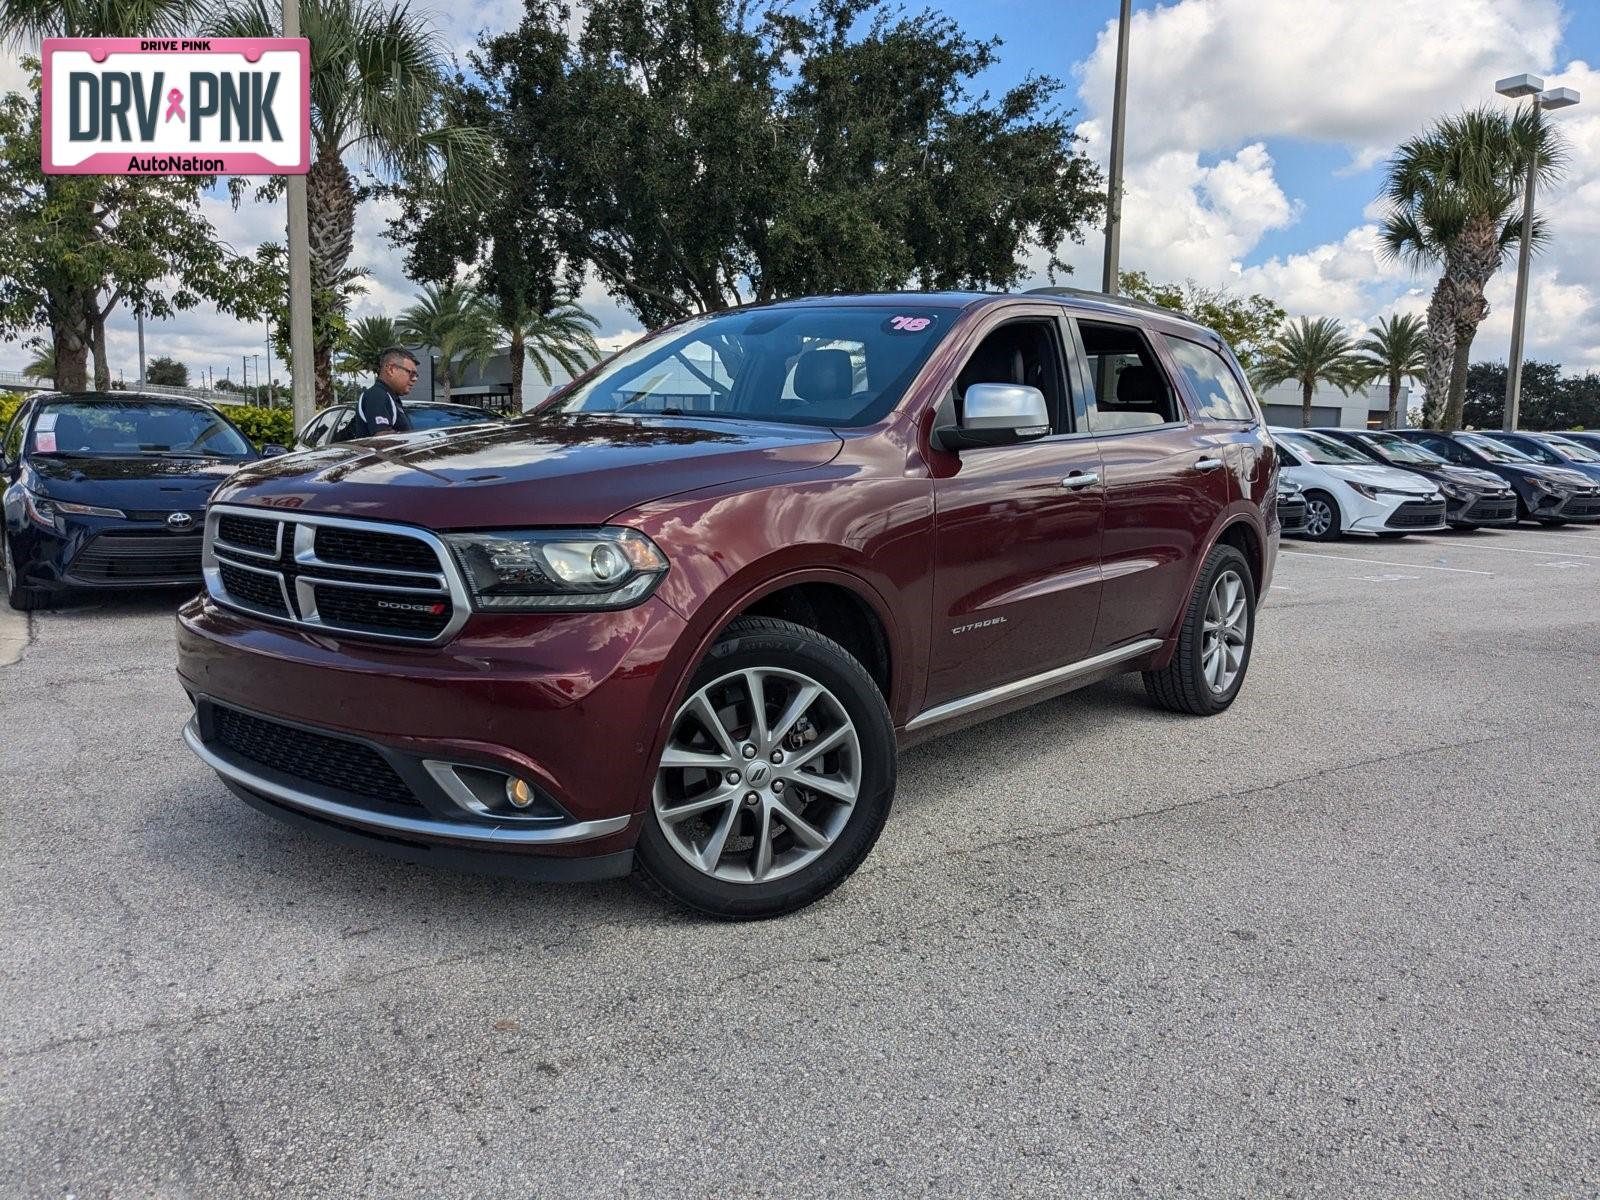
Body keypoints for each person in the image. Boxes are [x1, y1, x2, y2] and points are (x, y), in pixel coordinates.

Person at [340, 346, 418, 440]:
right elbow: (383, 440)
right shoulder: (377, 395)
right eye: (411, 373)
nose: (414, 379)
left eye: (416, 375)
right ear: (391, 369)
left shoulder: (389, 397)